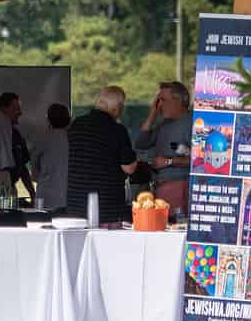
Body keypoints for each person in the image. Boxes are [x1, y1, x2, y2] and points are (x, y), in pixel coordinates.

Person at [65, 86, 138, 224]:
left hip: (76, 202)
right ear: (117, 108)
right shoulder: (117, 130)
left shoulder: (76, 124)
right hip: (106, 206)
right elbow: (129, 168)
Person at [134, 80, 192, 221]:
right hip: (160, 188)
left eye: (163, 100)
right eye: (158, 101)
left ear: (179, 101)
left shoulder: (192, 123)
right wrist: (153, 114)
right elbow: (140, 143)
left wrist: (168, 161)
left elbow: (201, 160)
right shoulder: (164, 123)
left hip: (179, 188)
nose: (160, 105)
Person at [32, 104, 71, 212]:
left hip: (46, 194)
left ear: (48, 119)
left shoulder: (42, 138)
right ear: (69, 119)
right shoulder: (73, 138)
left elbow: (34, 172)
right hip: (68, 195)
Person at [0, 92, 35, 201]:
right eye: (16, 109)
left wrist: (32, 192)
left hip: (10, 189)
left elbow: (22, 166)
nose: (20, 113)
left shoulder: (16, 135)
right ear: (3, 109)